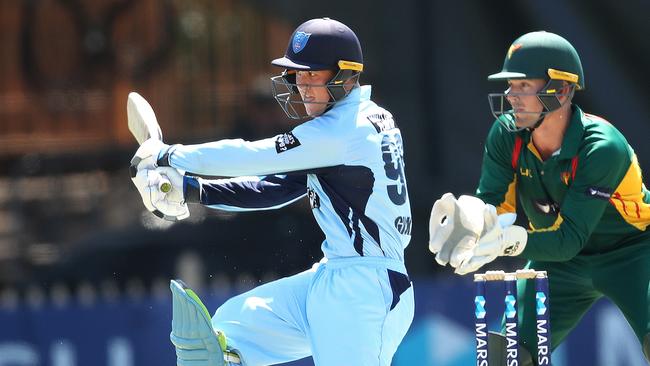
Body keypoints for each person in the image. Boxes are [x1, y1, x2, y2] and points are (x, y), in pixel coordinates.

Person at [131, 17, 414, 366]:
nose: (302, 86)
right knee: (229, 329)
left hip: (365, 290)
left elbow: (252, 156)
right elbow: (274, 188)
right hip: (336, 274)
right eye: (298, 76)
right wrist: (191, 189)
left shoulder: (342, 130)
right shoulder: (358, 122)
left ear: (344, 75)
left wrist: (169, 154)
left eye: (313, 75)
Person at [429, 31, 650, 363]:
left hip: (633, 253)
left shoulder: (602, 147)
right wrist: (472, 225)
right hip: (559, 264)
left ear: (560, 90)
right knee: (504, 356)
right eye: (510, 86)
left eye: (522, 86)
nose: (511, 96)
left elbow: (569, 238)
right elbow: (492, 201)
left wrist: (506, 242)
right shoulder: (506, 134)